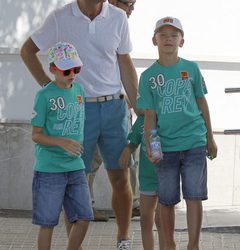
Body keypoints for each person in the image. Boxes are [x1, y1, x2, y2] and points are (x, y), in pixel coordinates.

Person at [20, 1, 140, 249]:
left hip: (114, 108)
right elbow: (27, 51)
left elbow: (125, 61)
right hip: (76, 110)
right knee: (76, 179)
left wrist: (141, 108)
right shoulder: (60, 17)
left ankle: (123, 239)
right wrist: (48, 87)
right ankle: (76, 246)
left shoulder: (118, 17)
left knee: (121, 176)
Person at [137, 17, 218, 250]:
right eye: (163, 35)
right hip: (166, 147)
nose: (168, 39)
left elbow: (202, 103)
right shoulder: (148, 76)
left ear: (182, 41)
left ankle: (193, 244)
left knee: (194, 196)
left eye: (174, 35)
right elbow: (150, 116)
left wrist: (210, 137)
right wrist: (152, 145)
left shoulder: (191, 68)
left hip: (194, 142)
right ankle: (168, 244)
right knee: (167, 200)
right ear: (154, 40)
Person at [30, 42, 93, 250]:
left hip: (75, 167)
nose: (72, 74)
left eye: (76, 69)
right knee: (47, 223)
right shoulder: (44, 96)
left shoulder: (80, 90)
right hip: (49, 170)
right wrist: (60, 142)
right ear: (52, 69)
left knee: (84, 217)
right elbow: (36, 135)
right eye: (66, 70)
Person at [88, 0, 140, 222]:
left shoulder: (119, 24)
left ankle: (132, 209)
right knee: (91, 162)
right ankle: (87, 206)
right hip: (94, 108)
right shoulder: (94, 23)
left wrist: (133, 100)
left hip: (118, 107)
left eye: (134, 4)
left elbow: (123, 66)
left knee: (125, 160)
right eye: (128, 3)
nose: (131, 9)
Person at [119, 115, 164, 250]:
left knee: (162, 220)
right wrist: (127, 150)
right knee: (145, 220)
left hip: (167, 176)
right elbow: (133, 142)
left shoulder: (168, 116)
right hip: (147, 177)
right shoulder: (142, 120)